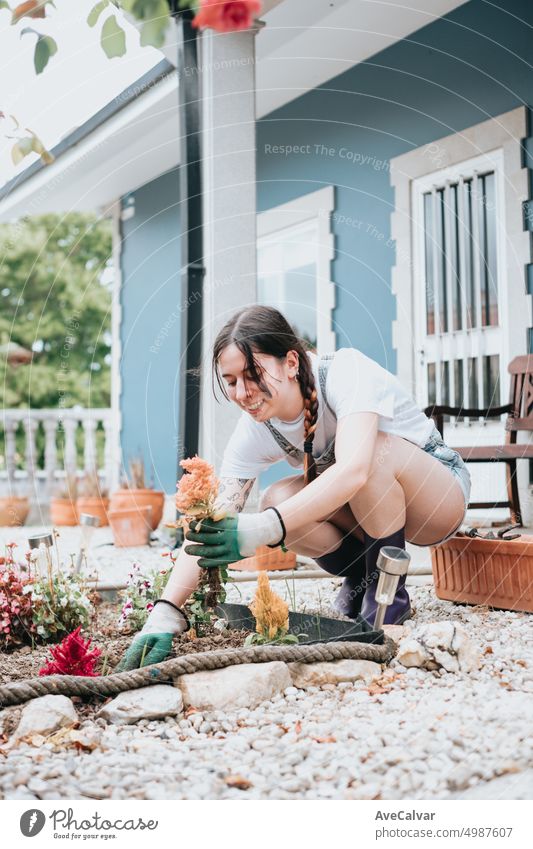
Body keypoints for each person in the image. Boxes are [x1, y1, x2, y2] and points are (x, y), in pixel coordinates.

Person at [117, 306, 471, 671]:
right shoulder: (255, 429)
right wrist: (166, 611)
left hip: (437, 499)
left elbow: (353, 472)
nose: (242, 392)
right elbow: (213, 522)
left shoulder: (346, 373)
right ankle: (362, 578)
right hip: (374, 513)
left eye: (253, 374)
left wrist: (263, 528)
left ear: (290, 362)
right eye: (231, 380)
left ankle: (387, 598)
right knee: (279, 499)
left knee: (369, 453)